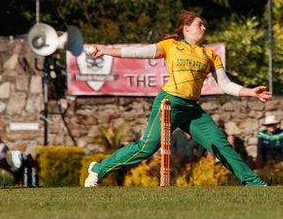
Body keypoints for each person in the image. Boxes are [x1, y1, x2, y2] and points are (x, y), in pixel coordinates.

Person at [84, 10, 271, 187]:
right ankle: (99, 169)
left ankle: (254, 183)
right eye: (200, 24)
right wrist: (106, 50)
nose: (204, 28)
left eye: (204, 25)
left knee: (220, 144)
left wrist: (251, 92)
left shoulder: (210, 55)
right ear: (186, 28)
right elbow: (137, 53)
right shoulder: (171, 45)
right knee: (146, 148)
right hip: (169, 102)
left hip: (192, 109)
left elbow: (225, 85)